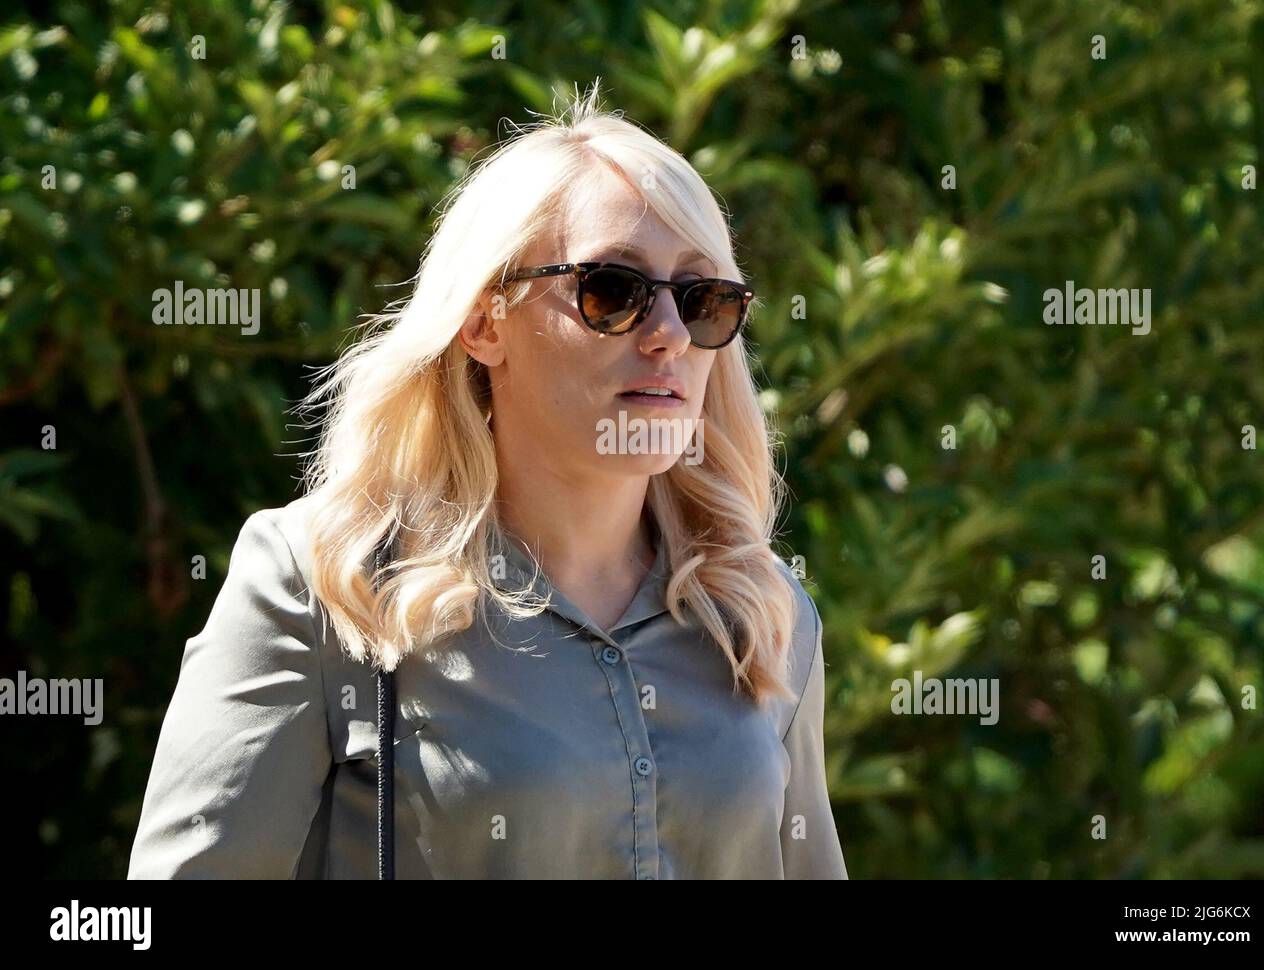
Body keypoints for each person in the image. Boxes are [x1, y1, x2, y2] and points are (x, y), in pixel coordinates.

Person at [127, 84, 848, 879]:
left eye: (703, 298)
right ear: (483, 322)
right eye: (614, 291)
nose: (670, 334)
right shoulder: (327, 584)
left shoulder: (761, 610)